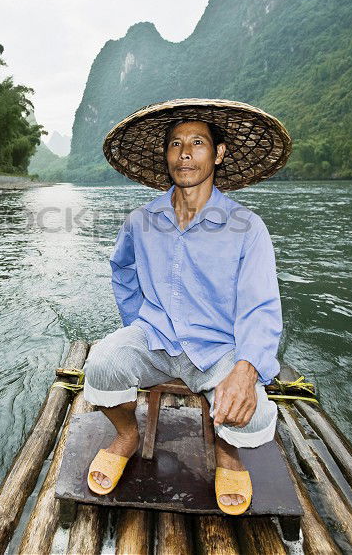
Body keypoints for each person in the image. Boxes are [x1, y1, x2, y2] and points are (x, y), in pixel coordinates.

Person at [84, 98, 292, 515]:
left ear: (218, 154)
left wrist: (246, 369)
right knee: (101, 364)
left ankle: (228, 455)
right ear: (166, 156)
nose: (184, 153)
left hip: (218, 349)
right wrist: (136, 323)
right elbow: (121, 270)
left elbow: (261, 305)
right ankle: (127, 435)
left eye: (198, 142)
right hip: (155, 338)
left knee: (250, 414)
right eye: (176, 144)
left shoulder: (247, 227)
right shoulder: (141, 221)